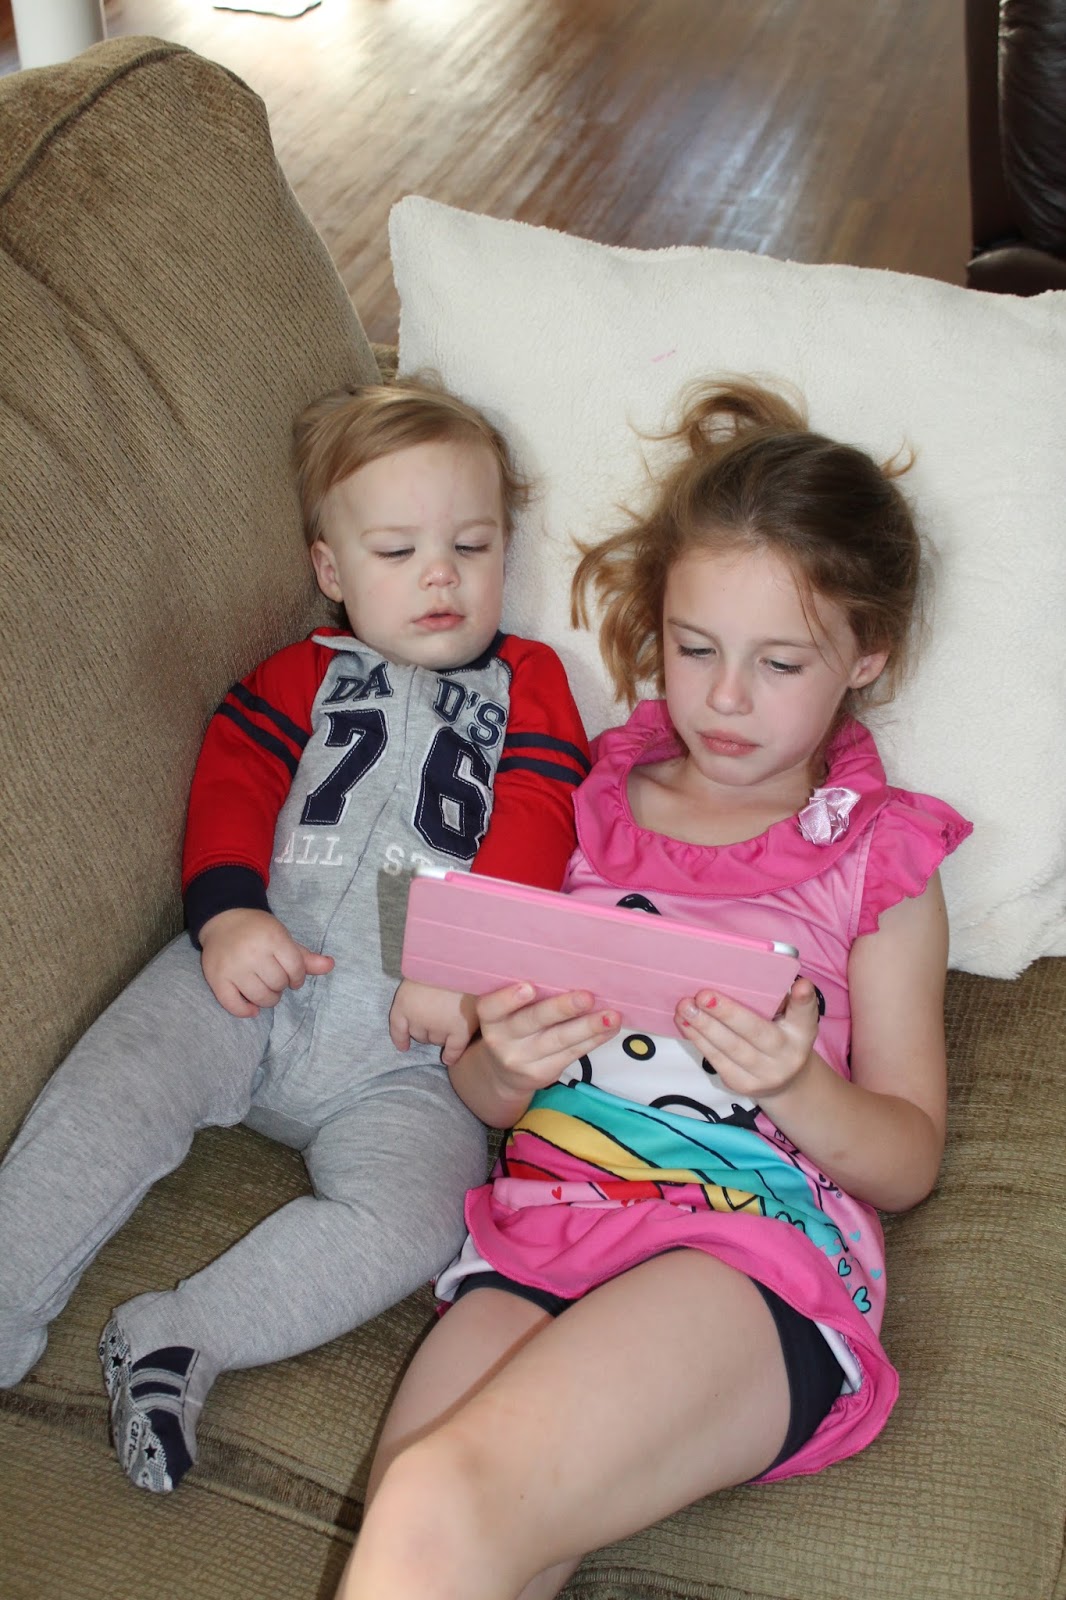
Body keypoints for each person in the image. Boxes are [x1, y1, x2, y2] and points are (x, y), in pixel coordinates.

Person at [335, 378, 973, 1600]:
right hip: (544, 1230)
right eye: (694, 647)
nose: (725, 697)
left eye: (779, 661)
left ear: (866, 655)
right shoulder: (578, 800)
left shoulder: (877, 856)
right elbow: (488, 1093)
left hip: (744, 1253)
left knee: (433, 1498)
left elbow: (906, 1160)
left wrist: (796, 1083)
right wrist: (499, 1065)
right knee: (427, 1517)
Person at [0, 378, 590, 1494]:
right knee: (112, 1092)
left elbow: (538, 816)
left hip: (411, 1057)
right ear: (332, 570)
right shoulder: (302, 672)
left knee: (424, 1217)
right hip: (253, 978)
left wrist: (459, 969)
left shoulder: (530, 684)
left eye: (471, 547)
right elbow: (234, 778)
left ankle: (184, 1333)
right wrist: (226, 915)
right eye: (398, 550)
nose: (439, 575)